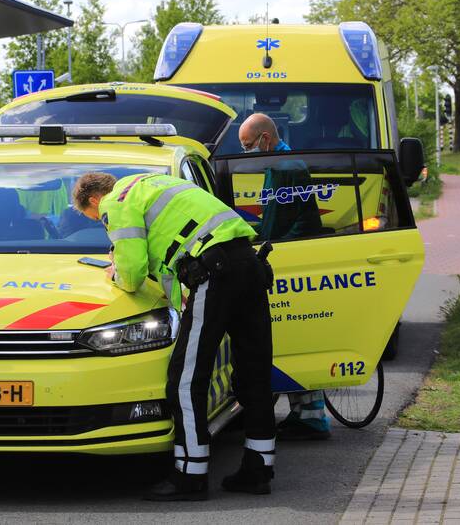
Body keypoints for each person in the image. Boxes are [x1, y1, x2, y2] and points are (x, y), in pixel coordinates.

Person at [73, 171, 276, 501]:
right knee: (254, 371)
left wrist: (115, 273)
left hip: (215, 271)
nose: (102, 222)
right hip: (247, 264)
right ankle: (259, 469)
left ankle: (190, 474)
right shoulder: (153, 183)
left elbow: (133, 272)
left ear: (94, 200)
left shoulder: (116, 202)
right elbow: (171, 259)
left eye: (95, 219)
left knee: (185, 379)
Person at [239, 113, 331, 441]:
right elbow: (275, 216)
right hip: (280, 255)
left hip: (288, 259)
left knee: (292, 335)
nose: (246, 153)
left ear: (265, 139)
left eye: (248, 146)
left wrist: (278, 246)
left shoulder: (289, 168)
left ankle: (312, 416)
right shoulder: (276, 166)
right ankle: (305, 413)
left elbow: (306, 220)